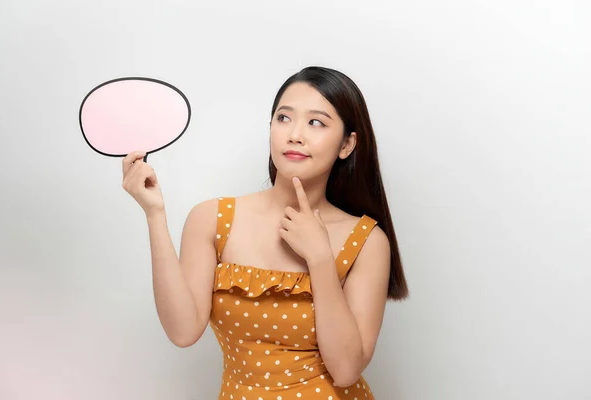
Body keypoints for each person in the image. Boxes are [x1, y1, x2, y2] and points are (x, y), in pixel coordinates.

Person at [121, 66, 409, 399]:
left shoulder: (368, 241)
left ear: (347, 144)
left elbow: (345, 370)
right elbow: (183, 331)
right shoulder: (212, 219)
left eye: (316, 122)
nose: (295, 134)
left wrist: (320, 258)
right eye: (284, 118)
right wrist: (154, 213)